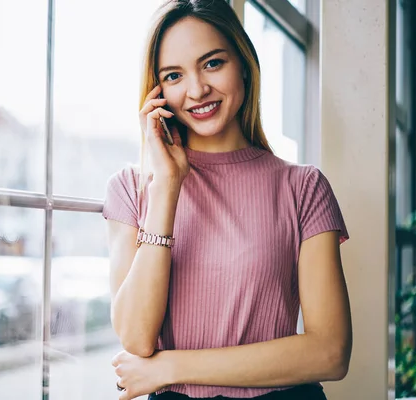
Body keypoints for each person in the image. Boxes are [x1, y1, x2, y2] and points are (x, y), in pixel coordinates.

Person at [101, 1, 352, 399]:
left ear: (244, 63)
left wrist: (171, 366)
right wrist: (167, 186)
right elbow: (136, 338)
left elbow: (331, 353)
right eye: (173, 75)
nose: (197, 89)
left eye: (213, 63)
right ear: (157, 90)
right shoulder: (132, 188)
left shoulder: (303, 187)